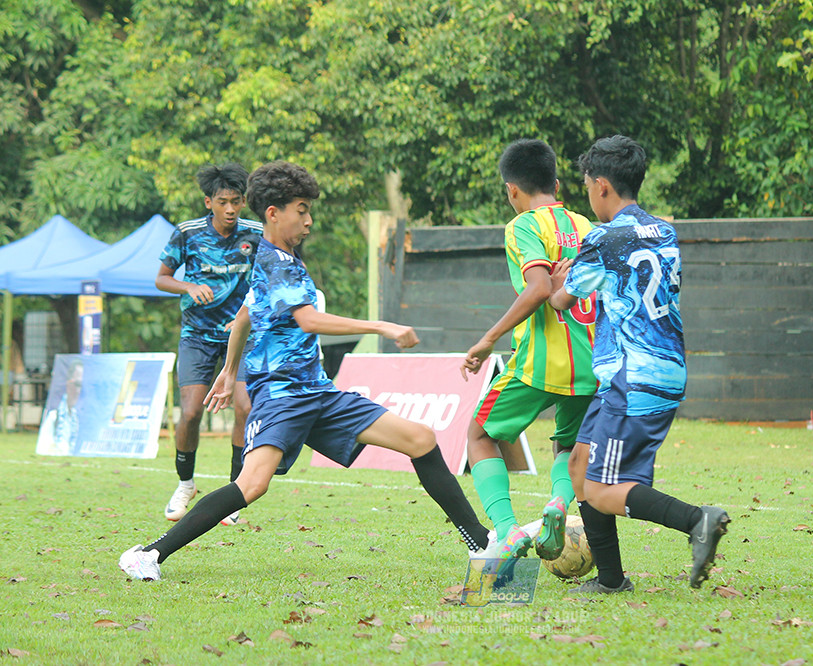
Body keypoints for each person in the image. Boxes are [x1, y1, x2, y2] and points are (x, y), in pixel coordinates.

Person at [120, 161, 490, 581]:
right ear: (274, 213)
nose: (309, 220)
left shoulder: (272, 255)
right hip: (282, 395)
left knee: (420, 439)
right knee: (252, 485)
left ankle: (481, 543)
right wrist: (381, 325)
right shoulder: (277, 260)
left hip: (316, 391)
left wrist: (229, 369)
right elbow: (309, 319)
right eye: (301, 209)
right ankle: (148, 554)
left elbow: (244, 314)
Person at [548, 135, 730, 594]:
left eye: (588, 184)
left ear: (602, 186)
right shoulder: (664, 229)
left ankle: (697, 520)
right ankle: (611, 580)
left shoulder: (603, 237)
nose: (588, 193)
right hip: (655, 368)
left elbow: (562, 300)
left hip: (634, 376)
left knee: (600, 491)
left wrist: (557, 280)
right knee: (579, 464)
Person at [461, 139, 597, 564]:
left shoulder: (522, 225)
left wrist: (488, 339)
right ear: (556, 184)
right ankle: (558, 504)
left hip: (539, 362)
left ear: (512, 190)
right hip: (590, 365)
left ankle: (506, 530)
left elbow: (539, 287)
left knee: (479, 436)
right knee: (566, 446)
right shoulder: (586, 225)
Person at [155, 163, 261, 525]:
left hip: (242, 335)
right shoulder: (187, 233)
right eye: (223, 202)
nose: (230, 209)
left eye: (236, 201)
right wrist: (188, 286)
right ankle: (186, 484)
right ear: (208, 202)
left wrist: (249, 315)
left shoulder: (257, 235)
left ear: (244, 201)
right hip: (197, 335)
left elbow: (271, 279)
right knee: (190, 412)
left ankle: (234, 491)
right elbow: (162, 278)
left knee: (244, 407)